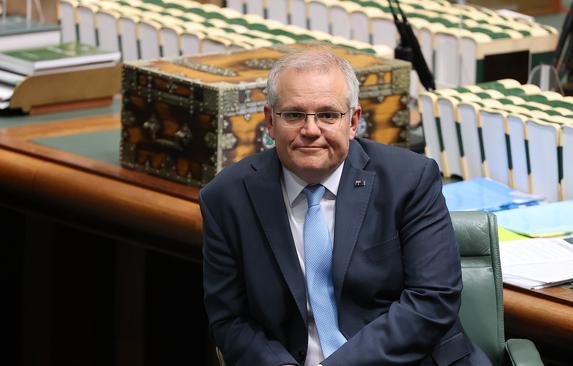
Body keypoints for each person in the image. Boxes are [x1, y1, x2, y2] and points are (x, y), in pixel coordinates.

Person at [200, 47, 490, 366]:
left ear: (353, 121)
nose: (311, 130)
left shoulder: (409, 180)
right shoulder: (227, 198)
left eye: (327, 115)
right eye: (294, 115)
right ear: (270, 121)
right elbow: (230, 320)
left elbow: (432, 301)